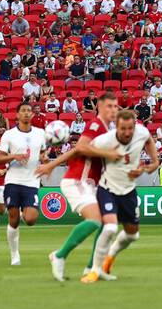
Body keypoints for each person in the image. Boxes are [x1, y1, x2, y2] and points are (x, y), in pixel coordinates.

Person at [38, 91, 124, 281]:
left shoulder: (107, 131)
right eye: (109, 106)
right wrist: (51, 165)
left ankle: (92, 268)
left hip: (91, 184)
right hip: (77, 180)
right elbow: (81, 147)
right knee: (95, 220)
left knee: (107, 223)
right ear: (99, 107)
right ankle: (59, 256)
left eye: (115, 106)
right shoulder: (95, 125)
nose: (113, 110)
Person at [83, 108, 159, 282]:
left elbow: (149, 144)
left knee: (133, 235)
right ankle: (93, 270)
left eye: (130, 128)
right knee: (110, 228)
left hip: (128, 190)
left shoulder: (142, 132)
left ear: (135, 126)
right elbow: (84, 149)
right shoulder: (105, 140)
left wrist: (150, 165)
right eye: (123, 128)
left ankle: (109, 256)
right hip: (107, 188)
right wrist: (106, 155)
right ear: (116, 126)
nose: (127, 132)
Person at [0, 101, 47, 266]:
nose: (26, 113)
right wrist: (14, 157)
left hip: (32, 181)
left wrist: (44, 160)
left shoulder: (40, 133)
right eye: (23, 111)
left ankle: (24, 212)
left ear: (32, 114)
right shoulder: (9, 135)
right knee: (14, 219)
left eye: (29, 111)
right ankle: (14, 254)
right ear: (17, 115)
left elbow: (43, 153)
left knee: (31, 219)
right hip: (13, 180)